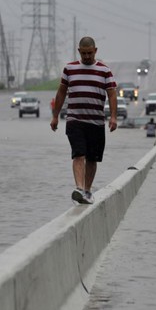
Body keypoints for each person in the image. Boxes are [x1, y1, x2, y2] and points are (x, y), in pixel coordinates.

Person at [50, 36, 118, 205]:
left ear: (95, 51)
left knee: (92, 159)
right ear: (79, 51)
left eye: (90, 53)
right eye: (84, 53)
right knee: (79, 154)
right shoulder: (69, 69)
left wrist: (114, 117)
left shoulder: (104, 71)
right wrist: (55, 116)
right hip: (75, 120)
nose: (87, 56)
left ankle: (87, 191)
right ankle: (79, 188)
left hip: (96, 122)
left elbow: (111, 94)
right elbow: (61, 92)